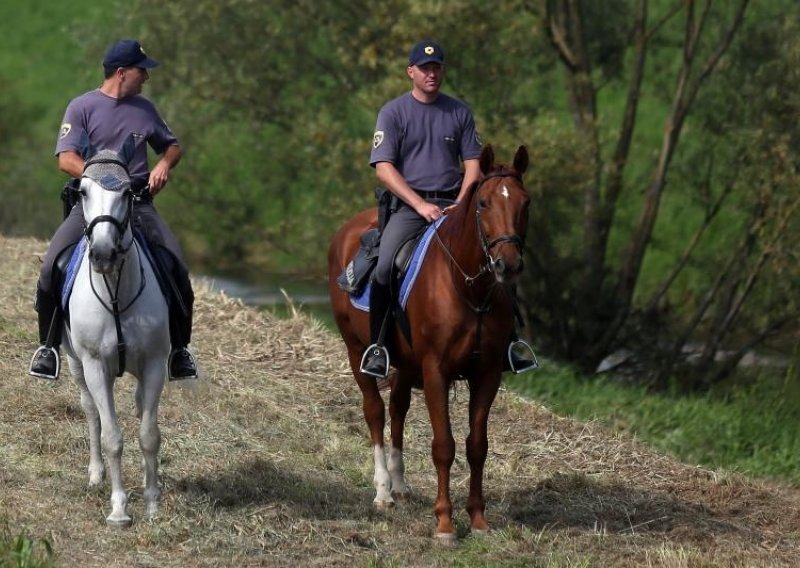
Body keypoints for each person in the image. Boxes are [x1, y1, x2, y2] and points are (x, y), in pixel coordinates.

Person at [361, 40, 536, 379]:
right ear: (410, 71)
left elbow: (473, 163)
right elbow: (384, 169)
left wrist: (462, 199)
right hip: (411, 207)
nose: (431, 73)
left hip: (456, 203)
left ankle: (510, 343)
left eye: (436, 67)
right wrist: (419, 204)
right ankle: (379, 347)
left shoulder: (459, 112)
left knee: (500, 256)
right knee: (384, 267)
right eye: (424, 68)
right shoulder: (393, 113)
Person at [29, 39, 197, 381]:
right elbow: (66, 159)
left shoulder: (145, 109)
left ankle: (179, 351)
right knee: (51, 268)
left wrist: (164, 163)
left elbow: (173, 146)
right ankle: (47, 348)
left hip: (138, 204)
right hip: (90, 206)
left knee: (177, 266)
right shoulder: (81, 107)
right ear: (122, 73)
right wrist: (102, 178)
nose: (146, 78)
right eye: (142, 71)